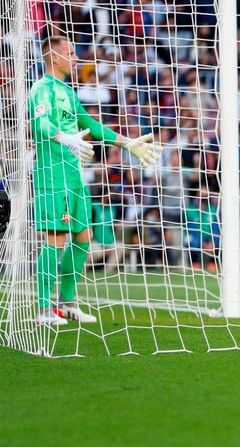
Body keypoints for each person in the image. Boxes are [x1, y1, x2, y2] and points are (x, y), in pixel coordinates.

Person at [29, 35, 162, 326]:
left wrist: (127, 143)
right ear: (54, 56)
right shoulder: (42, 89)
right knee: (55, 240)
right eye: (71, 53)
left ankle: (67, 303)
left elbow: (90, 125)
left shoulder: (68, 92)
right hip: (53, 177)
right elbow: (40, 124)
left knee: (83, 239)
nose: (76, 58)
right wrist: (65, 139)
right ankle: (43, 310)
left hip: (75, 177)